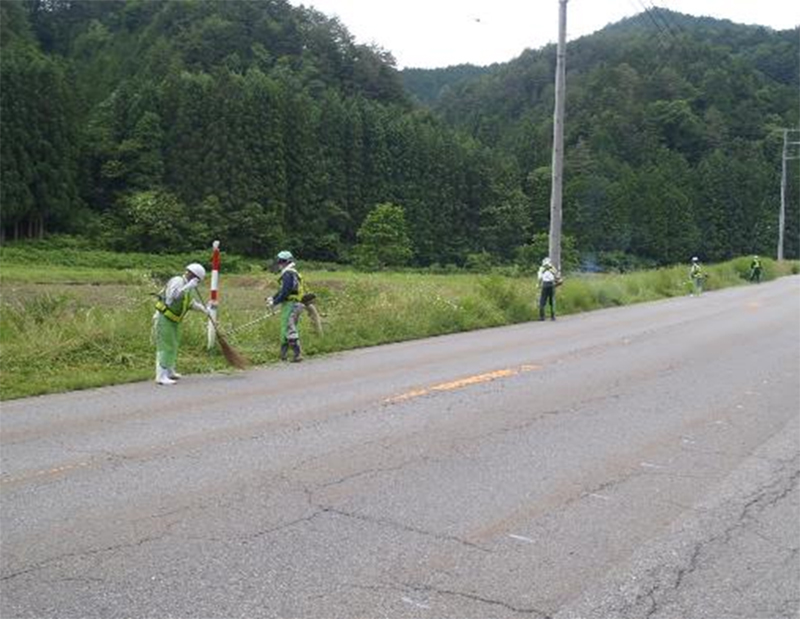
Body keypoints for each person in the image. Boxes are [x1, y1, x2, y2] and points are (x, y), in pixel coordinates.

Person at [153, 263, 211, 385]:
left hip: (174, 320)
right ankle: (160, 376)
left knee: (173, 345)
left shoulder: (189, 286)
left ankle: (169, 371)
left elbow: (190, 303)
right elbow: (171, 297)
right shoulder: (178, 281)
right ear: (192, 275)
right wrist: (188, 286)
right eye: (197, 279)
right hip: (164, 317)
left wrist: (204, 309)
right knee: (165, 346)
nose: (197, 283)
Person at [267, 250, 306, 362]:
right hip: (293, 303)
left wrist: (275, 302)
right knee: (286, 327)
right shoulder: (292, 272)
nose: (278, 264)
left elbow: (286, 292)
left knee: (289, 327)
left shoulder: (288, 273)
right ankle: (283, 355)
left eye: (279, 261)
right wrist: (273, 298)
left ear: (283, 262)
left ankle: (297, 354)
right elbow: (282, 291)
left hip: (292, 304)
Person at [537, 257, 560, 321]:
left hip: (544, 285)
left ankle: (542, 317)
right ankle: (553, 316)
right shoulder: (552, 268)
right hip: (552, 285)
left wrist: (538, 285)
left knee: (542, 301)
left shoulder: (541, 269)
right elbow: (557, 277)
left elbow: (539, 278)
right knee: (552, 301)